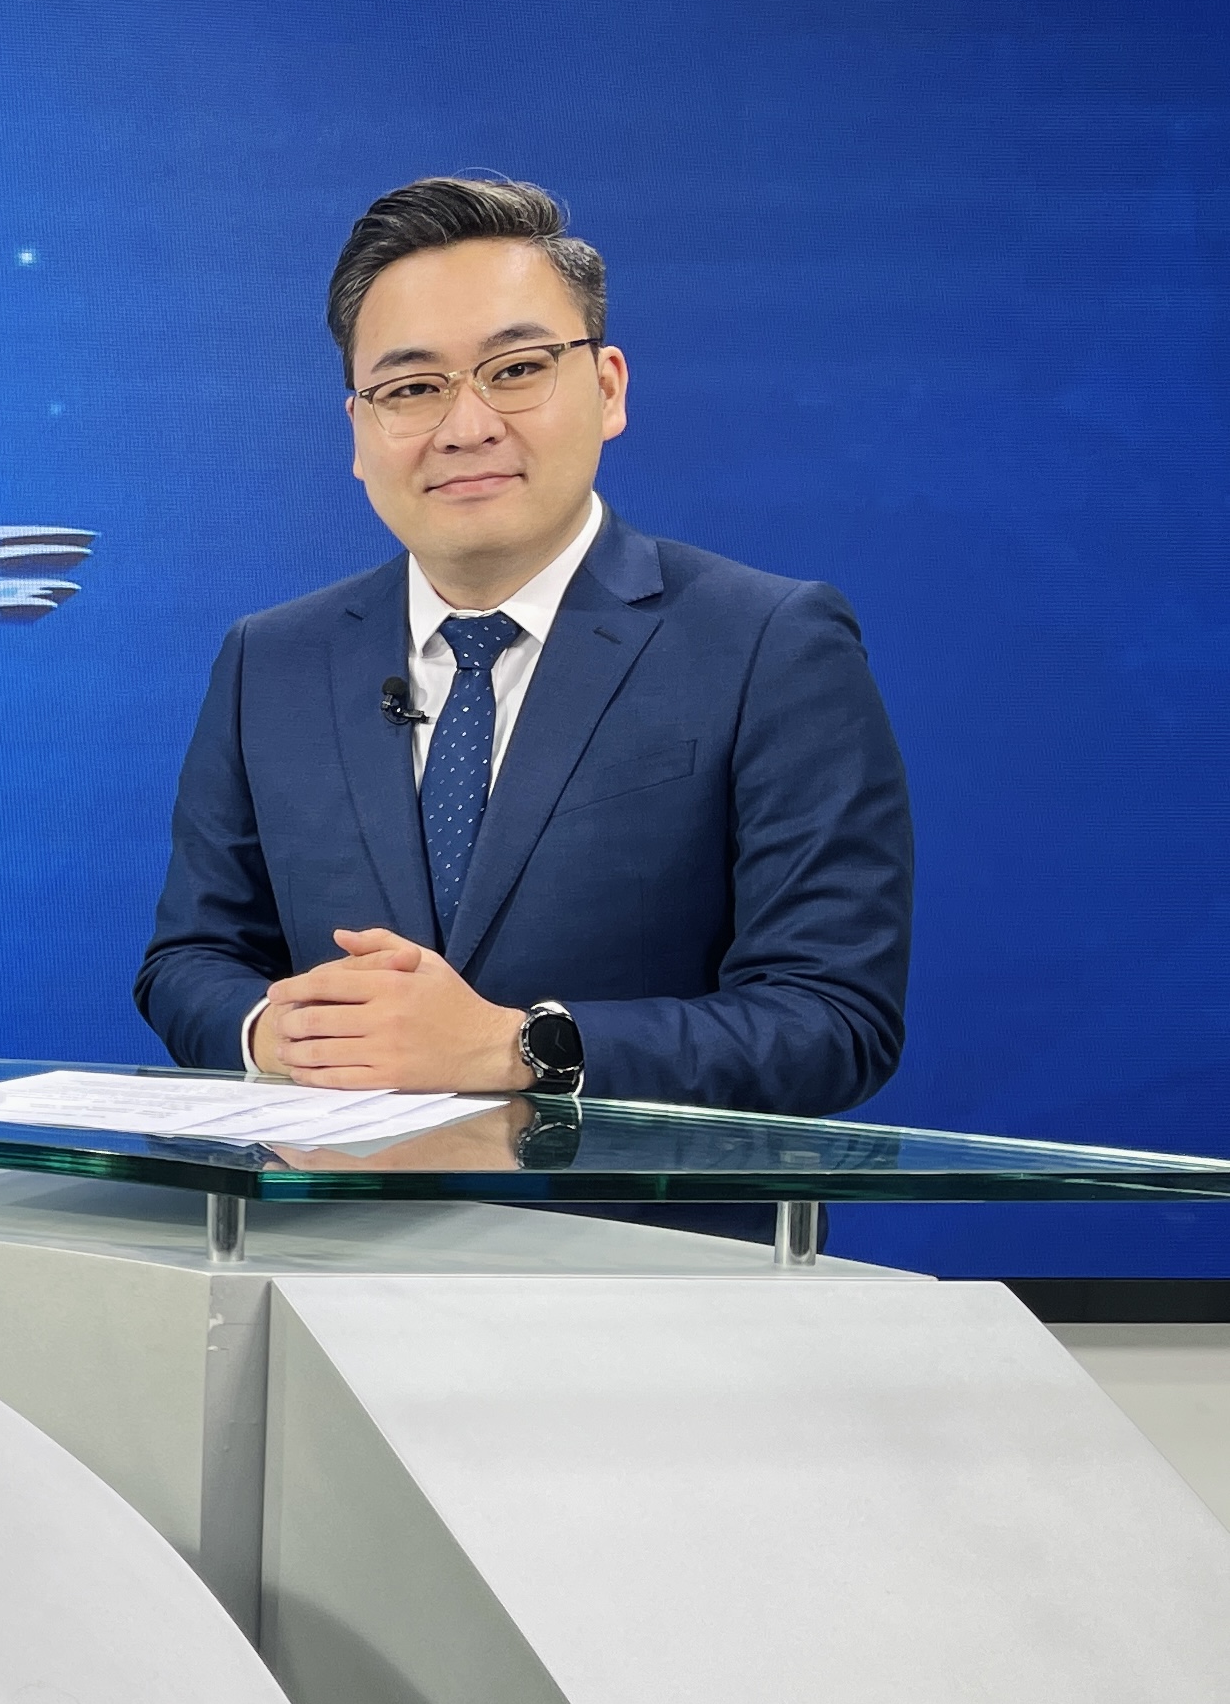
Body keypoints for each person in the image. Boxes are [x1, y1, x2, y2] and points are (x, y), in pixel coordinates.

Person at [135, 178, 913, 1116]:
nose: (467, 428)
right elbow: (192, 960)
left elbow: (832, 1019)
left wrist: (516, 1046)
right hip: (332, 1203)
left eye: (515, 370)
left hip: (630, 1210)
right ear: (359, 432)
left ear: (608, 387)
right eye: (412, 389)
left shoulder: (768, 644)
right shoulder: (271, 660)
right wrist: (274, 1031)